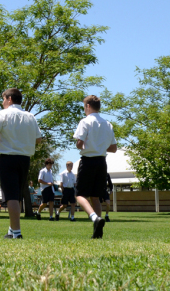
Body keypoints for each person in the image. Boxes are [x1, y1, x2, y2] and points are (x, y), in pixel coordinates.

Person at [0, 88, 42, 240]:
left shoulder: (2, 114)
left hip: (8, 157)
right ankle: (11, 230)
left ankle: (17, 233)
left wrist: (1, 136)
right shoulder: (30, 116)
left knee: (11, 196)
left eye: (4, 99)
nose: (3, 102)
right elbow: (38, 139)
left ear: (10, 99)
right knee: (17, 195)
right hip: (25, 158)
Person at [73, 95, 118, 239]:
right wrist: (100, 146)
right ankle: (98, 231)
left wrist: (86, 144)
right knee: (96, 197)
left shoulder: (85, 122)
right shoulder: (107, 123)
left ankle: (94, 218)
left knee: (80, 195)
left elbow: (79, 144)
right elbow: (114, 148)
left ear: (87, 106)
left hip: (88, 161)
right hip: (102, 162)